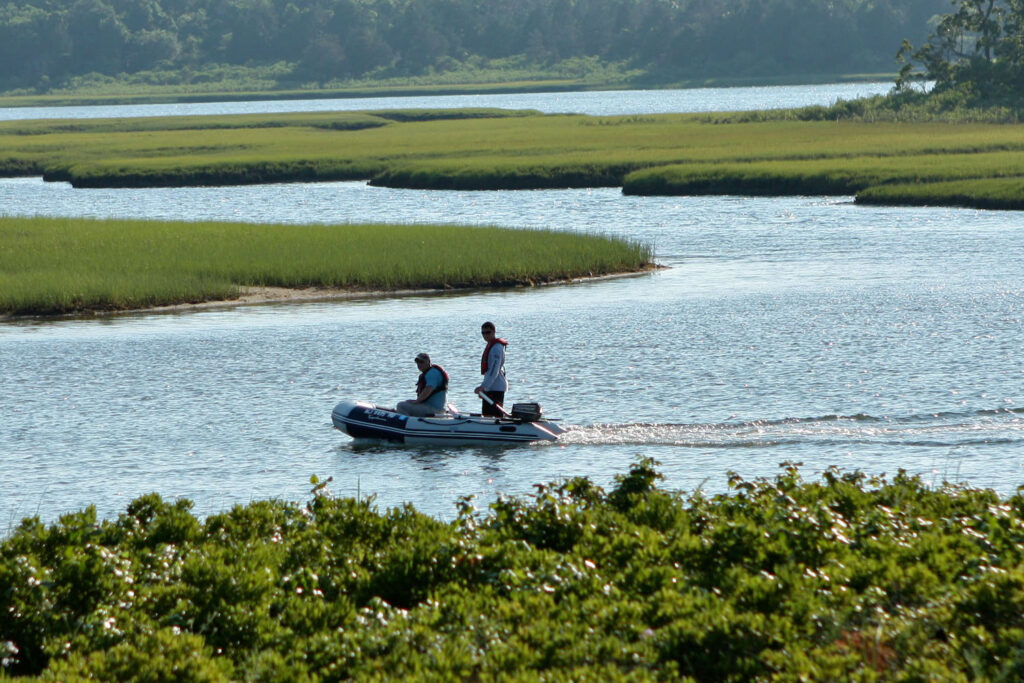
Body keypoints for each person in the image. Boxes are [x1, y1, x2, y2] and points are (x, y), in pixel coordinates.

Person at [396, 352, 449, 417]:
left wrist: (416, 402)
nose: (419, 364)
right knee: (407, 402)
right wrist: (415, 401)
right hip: (430, 407)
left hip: (435, 410)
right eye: (417, 362)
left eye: (421, 362)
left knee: (401, 406)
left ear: (428, 362)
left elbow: (428, 389)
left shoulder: (432, 373)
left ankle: (405, 424)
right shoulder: (430, 372)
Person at [474, 321, 508, 416]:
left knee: (492, 416)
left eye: (488, 332)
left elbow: (494, 370)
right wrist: (485, 387)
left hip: (496, 388)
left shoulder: (496, 348)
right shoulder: (490, 345)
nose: (485, 335)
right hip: (490, 387)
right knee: (486, 415)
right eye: (483, 333)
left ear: (494, 332)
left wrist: (483, 387)